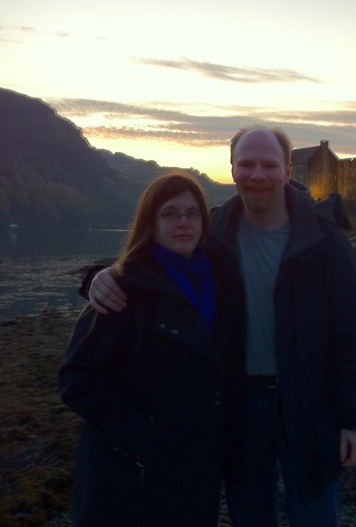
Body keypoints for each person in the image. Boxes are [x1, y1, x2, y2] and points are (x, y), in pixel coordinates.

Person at [86, 128, 356, 527]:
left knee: (316, 516)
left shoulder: (324, 240)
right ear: (233, 169)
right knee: (249, 517)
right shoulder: (213, 234)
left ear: (288, 169)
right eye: (247, 164)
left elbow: (354, 335)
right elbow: (156, 265)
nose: (257, 174)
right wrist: (103, 276)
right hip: (240, 408)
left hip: (312, 406)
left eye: (268, 165)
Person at [60, 171, 245, 526]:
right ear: (151, 223)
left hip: (196, 472)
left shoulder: (222, 283)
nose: (182, 222)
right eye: (169, 213)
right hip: (131, 478)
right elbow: (77, 378)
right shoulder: (123, 288)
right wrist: (143, 438)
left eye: (192, 213)